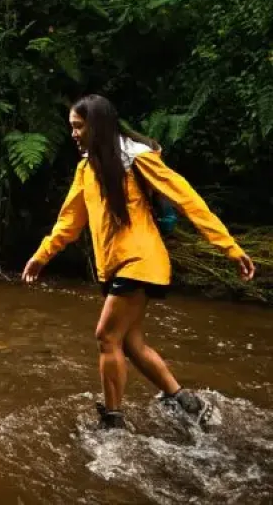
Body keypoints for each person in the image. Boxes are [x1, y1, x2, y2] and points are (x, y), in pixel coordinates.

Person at [22, 94, 255, 430]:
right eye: (72, 127)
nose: (73, 134)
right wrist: (42, 255)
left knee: (105, 336)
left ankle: (113, 420)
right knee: (130, 343)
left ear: (96, 126)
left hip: (142, 260)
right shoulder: (86, 168)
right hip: (116, 266)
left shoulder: (135, 159)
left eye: (78, 126)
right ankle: (187, 402)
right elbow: (69, 222)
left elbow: (186, 198)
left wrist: (229, 246)